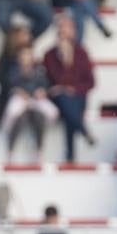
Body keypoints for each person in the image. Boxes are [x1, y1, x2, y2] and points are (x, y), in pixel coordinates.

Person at [44, 15, 96, 162]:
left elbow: (90, 82)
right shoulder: (49, 55)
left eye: (67, 29)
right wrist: (65, 62)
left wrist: (72, 89)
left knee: (69, 106)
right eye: (61, 29)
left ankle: (71, 154)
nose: (64, 33)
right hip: (58, 98)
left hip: (77, 96)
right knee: (65, 100)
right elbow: (55, 81)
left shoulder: (81, 53)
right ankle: (83, 131)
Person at [0, 45, 57, 160]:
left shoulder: (39, 70)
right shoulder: (14, 70)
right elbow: (10, 85)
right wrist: (18, 91)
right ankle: (9, 145)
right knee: (12, 112)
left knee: (52, 112)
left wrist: (42, 92)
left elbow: (45, 85)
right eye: (23, 56)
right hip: (20, 98)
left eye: (28, 55)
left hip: (35, 99)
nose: (25, 58)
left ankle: (39, 150)